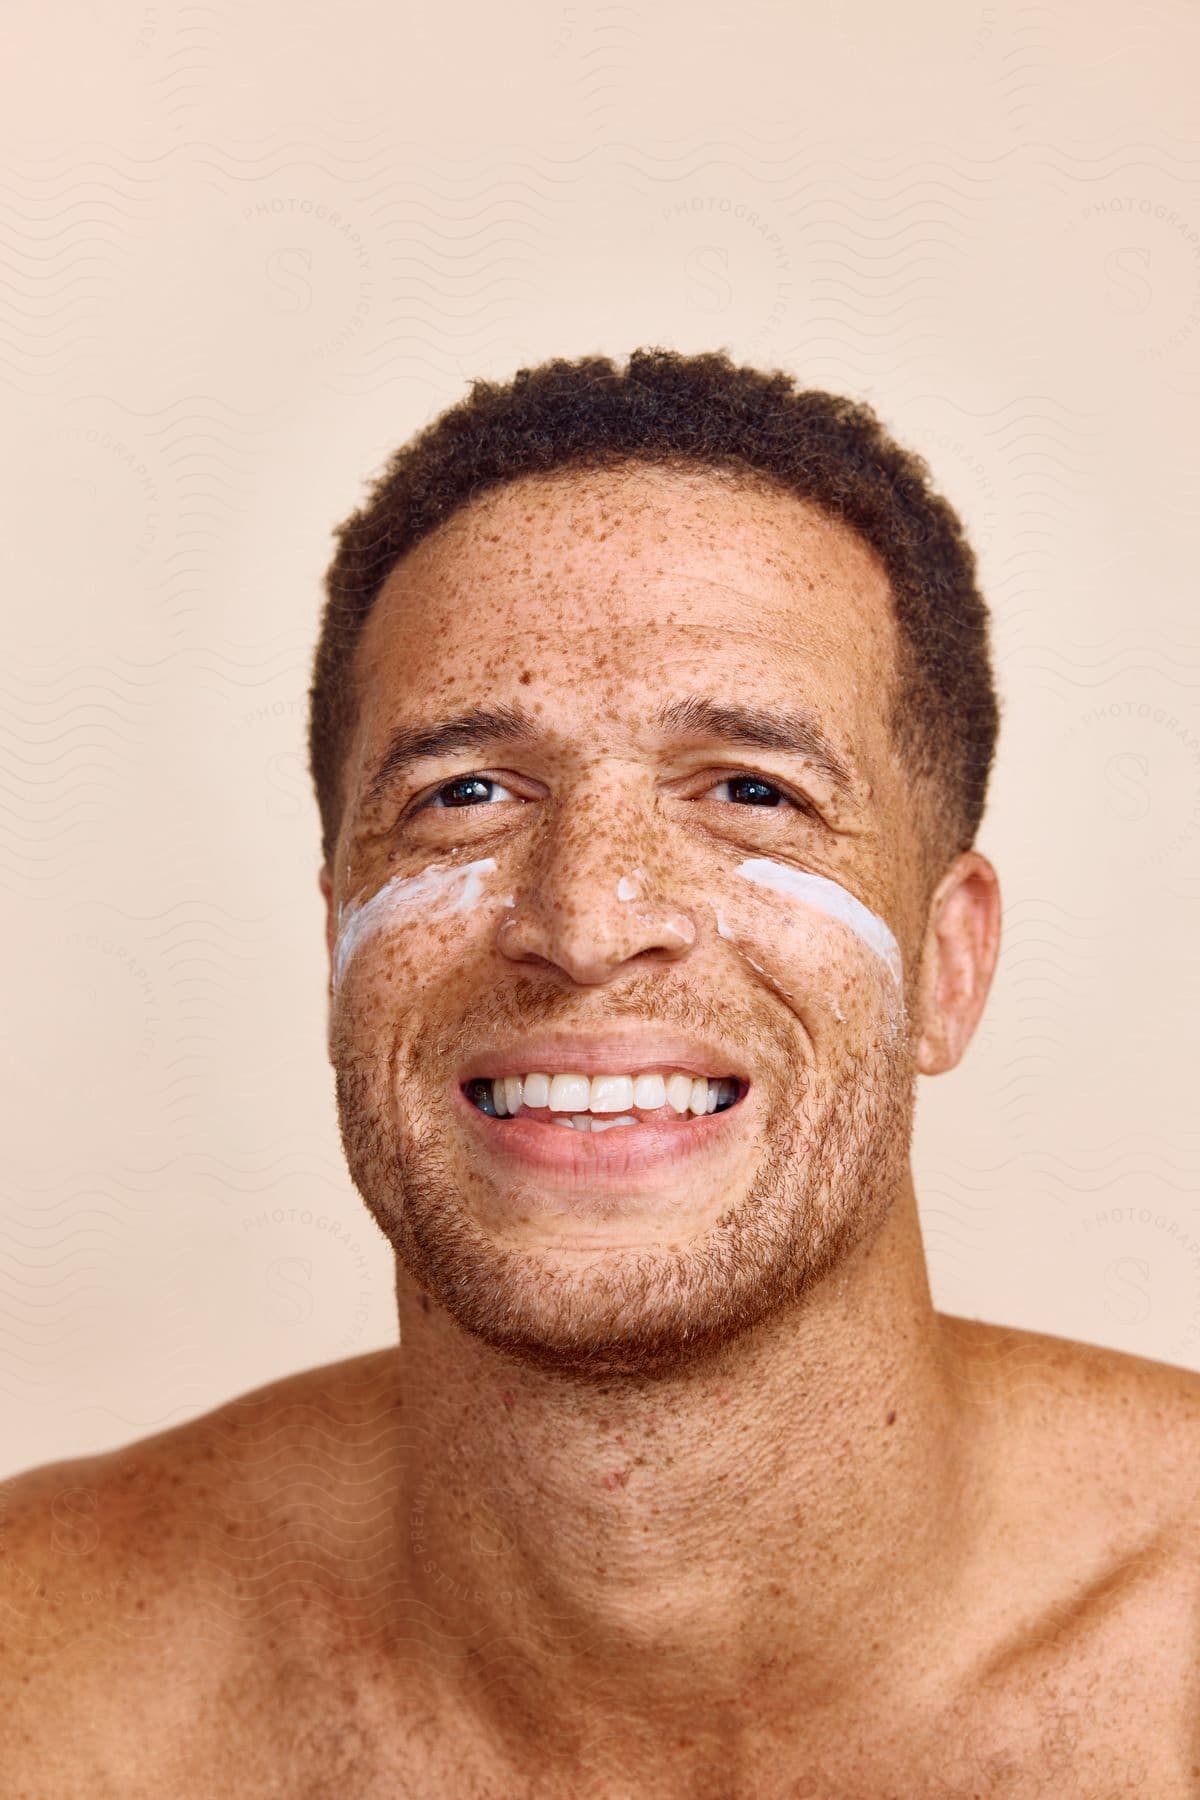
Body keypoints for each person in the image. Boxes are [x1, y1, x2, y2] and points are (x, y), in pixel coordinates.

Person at [4, 348, 1198, 1798]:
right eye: (466, 798)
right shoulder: (44, 1680)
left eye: (752, 792)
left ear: (951, 964)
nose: (585, 924)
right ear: (337, 946)